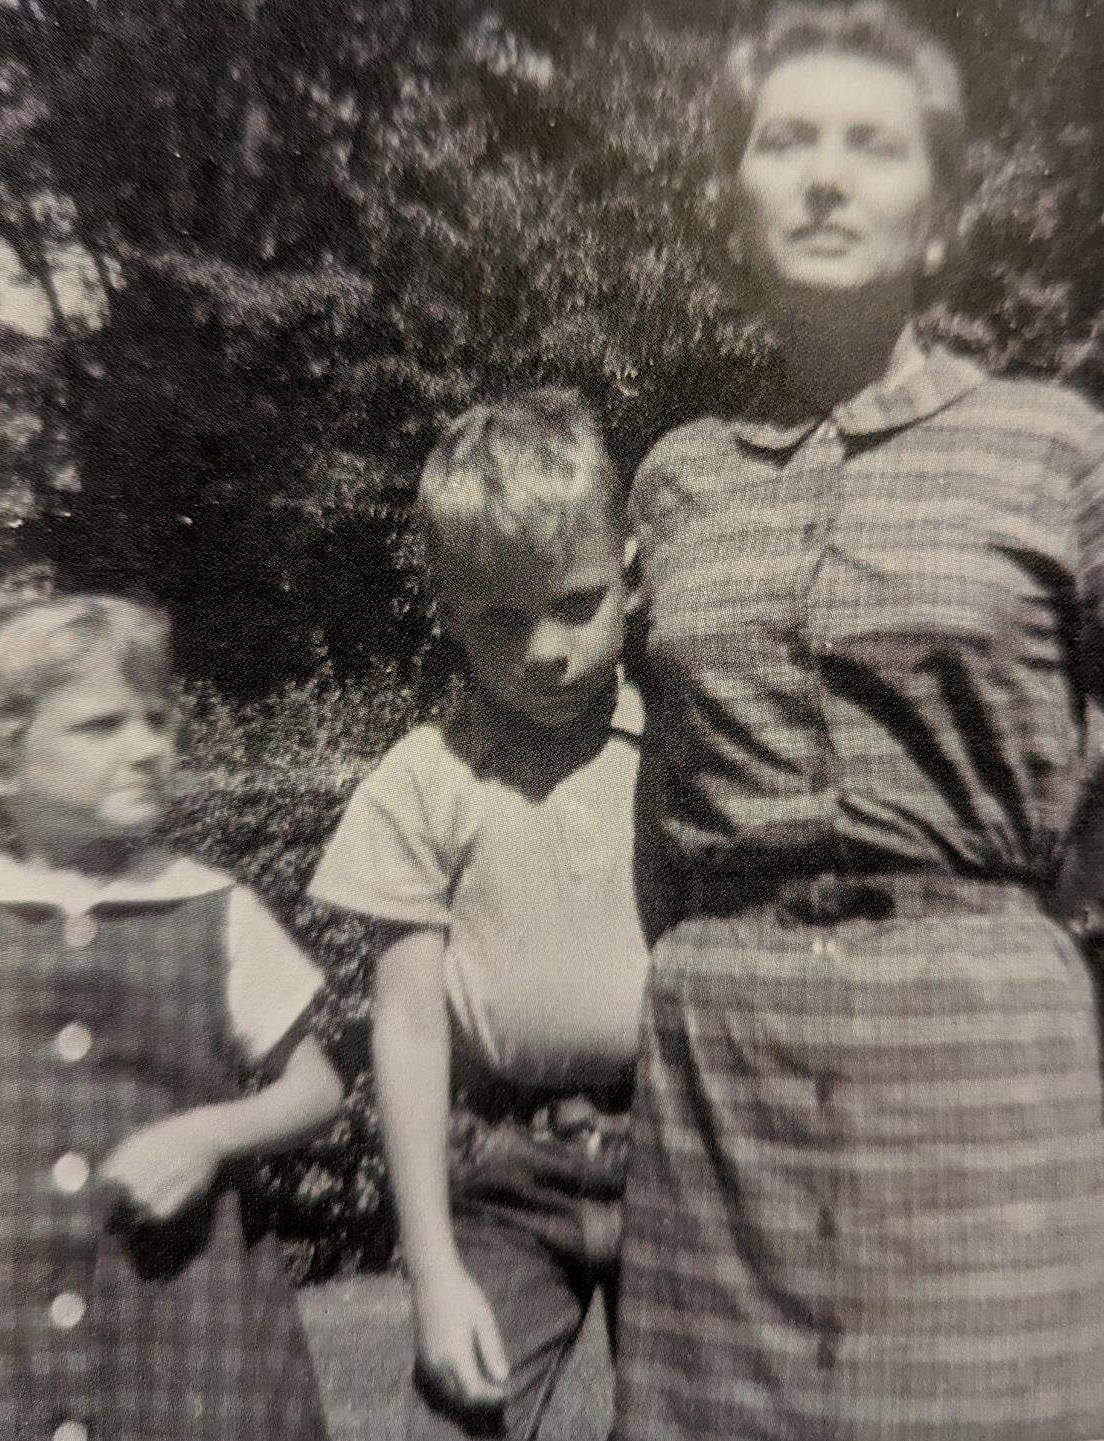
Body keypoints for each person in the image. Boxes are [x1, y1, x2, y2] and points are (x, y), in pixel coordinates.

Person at [613, 5, 1104, 1439]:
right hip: (727, 1078)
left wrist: (1045, 917)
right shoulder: (674, 481)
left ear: (939, 216)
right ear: (734, 195)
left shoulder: (1057, 446)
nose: (825, 177)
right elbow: (652, 786)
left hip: (982, 1052)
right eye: (788, 141)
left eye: (873, 146)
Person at [309, 388, 649, 1439]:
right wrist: (433, 1271)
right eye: (502, 619)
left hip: (680, 1156)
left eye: (577, 602)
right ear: (448, 605)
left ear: (633, 574)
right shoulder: (422, 784)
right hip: (502, 1176)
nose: (545, 648)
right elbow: (407, 1030)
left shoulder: (689, 751)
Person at [0, 595, 342, 1441]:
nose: (145, 748)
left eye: (156, 720)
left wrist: (208, 1133)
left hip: (179, 1296)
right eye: (101, 727)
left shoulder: (212, 908)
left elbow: (317, 1087)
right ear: (0, 763)